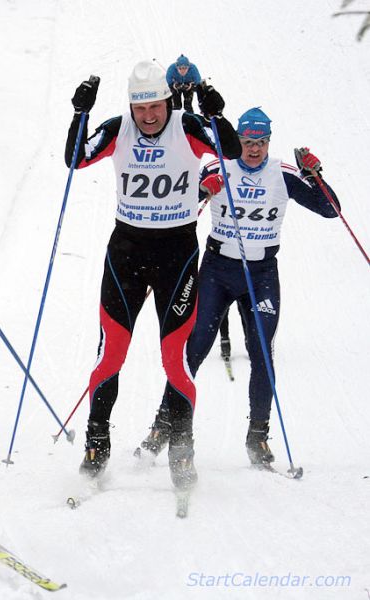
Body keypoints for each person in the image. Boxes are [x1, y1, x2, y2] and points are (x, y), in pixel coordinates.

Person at [64, 61, 241, 490]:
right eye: (140, 107)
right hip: (126, 252)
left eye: (155, 106)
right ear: (131, 106)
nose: (148, 116)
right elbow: (75, 158)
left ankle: (182, 450)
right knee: (110, 355)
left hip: (175, 255)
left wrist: (216, 113)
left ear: (167, 101)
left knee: (174, 359)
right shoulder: (118, 127)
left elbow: (232, 151)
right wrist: (80, 114)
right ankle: (96, 444)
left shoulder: (188, 126)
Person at [137, 107, 340, 467]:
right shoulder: (219, 166)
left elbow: (330, 210)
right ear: (238, 141)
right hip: (217, 271)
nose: (254, 149)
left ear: (269, 143)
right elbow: (179, 201)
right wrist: (204, 189)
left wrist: (315, 175)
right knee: (193, 349)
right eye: (247, 142)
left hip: (261, 275)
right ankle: (162, 426)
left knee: (262, 353)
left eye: (261, 142)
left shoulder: (282, 174)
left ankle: (257, 437)